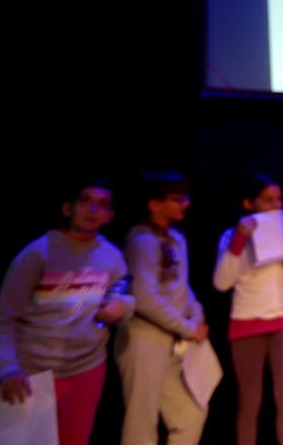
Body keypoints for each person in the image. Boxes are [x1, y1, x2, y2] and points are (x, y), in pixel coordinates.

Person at [0, 175, 134, 445]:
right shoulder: (38, 254)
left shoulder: (112, 256)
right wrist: (7, 369)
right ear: (68, 208)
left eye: (102, 204)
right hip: (32, 373)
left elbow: (125, 294)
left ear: (110, 215)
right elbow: (2, 320)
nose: (92, 210)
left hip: (85, 370)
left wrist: (122, 305)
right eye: (85, 201)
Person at [114, 168, 210, 445]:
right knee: (141, 424)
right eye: (176, 199)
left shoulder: (176, 239)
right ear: (155, 204)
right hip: (143, 340)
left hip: (171, 341)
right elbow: (145, 298)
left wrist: (196, 312)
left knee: (189, 415)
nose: (185, 204)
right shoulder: (142, 241)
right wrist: (188, 327)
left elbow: (180, 284)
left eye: (185, 198)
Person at [211, 174, 283, 445]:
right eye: (267, 200)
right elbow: (221, 282)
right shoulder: (231, 236)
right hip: (247, 324)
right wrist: (240, 237)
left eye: (278, 199)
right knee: (249, 402)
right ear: (248, 203)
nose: (275, 205)